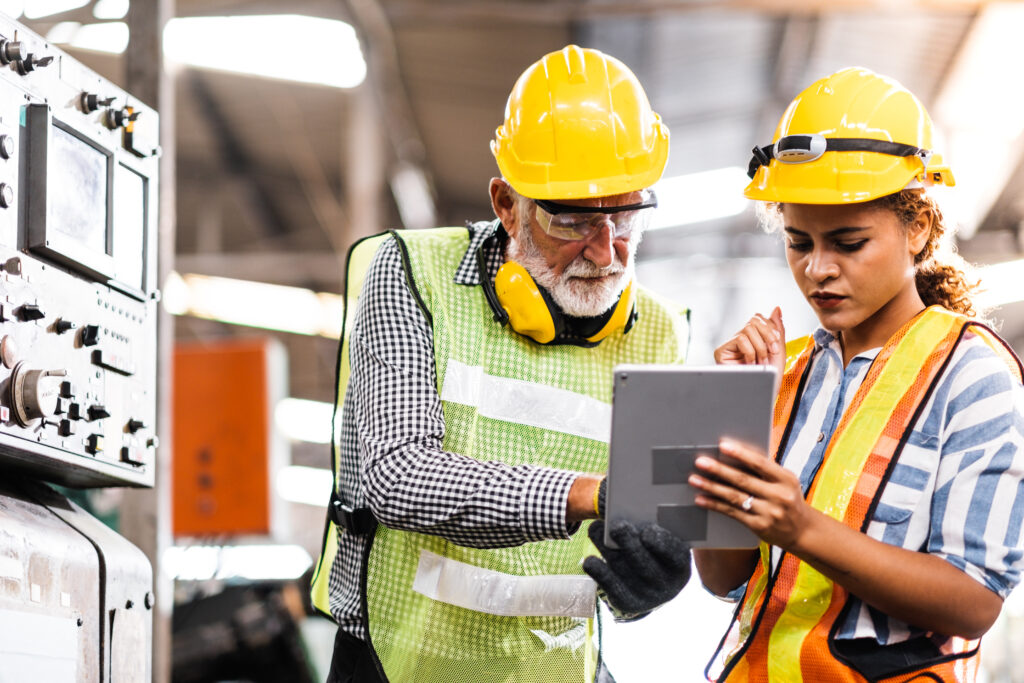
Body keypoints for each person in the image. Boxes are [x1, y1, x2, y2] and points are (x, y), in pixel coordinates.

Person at [309, 45, 693, 683]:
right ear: (506, 204)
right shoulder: (413, 275)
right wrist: (588, 494)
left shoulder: (658, 334)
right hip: (399, 668)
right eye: (572, 219)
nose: (606, 250)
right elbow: (395, 474)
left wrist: (644, 588)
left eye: (626, 215)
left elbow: (636, 538)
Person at [692, 67, 1024, 682]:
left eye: (847, 243)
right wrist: (736, 414)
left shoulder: (973, 374)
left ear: (918, 227)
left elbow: (974, 601)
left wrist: (802, 527)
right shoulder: (786, 372)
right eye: (798, 243)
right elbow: (721, 577)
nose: (818, 269)